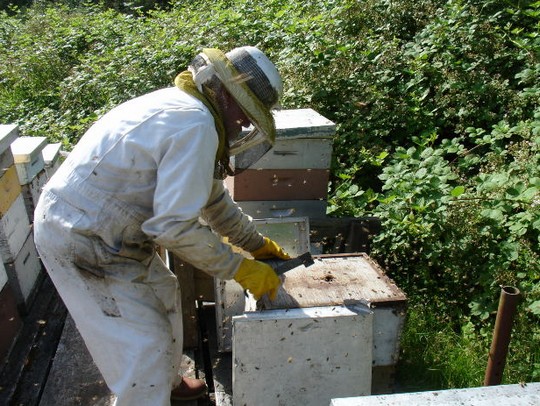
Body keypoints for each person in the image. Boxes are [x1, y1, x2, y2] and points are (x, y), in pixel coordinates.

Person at [33, 46, 290, 405]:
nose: (246, 125)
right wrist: (241, 268)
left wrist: (255, 243)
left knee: (164, 290)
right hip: (83, 237)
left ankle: (168, 385)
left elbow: (213, 199)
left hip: (110, 231)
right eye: (247, 113)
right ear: (227, 95)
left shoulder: (194, 113)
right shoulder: (196, 125)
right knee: (142, 345)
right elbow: (173, 228)